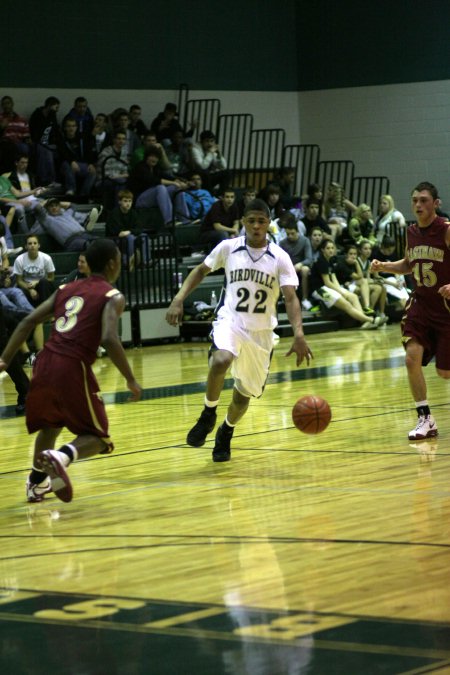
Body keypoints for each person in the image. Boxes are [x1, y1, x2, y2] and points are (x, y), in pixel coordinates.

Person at [166, 198, 313, 462]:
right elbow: (200, 271)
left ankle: (226, 431)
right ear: (243, 222)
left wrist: (299, 334)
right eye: (251, 221)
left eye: (261, 221)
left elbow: (291, 298)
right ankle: (208, 414)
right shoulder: (228, 247)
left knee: (243, 397)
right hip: (231, 321)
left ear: (268, 224)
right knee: (220, 360)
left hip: (261, 334)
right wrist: (178, 299)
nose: (256, 226)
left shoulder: (280, 258)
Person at [0, 238, 142, 503]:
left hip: (44, 362)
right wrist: (131, 379)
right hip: (71, 365)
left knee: (50, 427)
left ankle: (36, 483)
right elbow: (110, 338)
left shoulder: (67, 287)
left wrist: (5, 359)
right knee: (99, 438)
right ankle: (62, 456)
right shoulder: (113, 295)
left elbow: (29, 320)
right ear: (113, 264)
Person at [371, 181, 450, 441]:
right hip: (421, 305)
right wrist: (385, 266)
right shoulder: (412, 232)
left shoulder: (446, 231)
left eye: (424, 200)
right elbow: (408, 263)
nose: (418, 204)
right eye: (415, 199)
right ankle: (425, 418)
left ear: (436, 204)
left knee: (444, 372)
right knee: (411, 357)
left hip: (446, 309)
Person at [309, 238, 382, 329]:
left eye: (332, 248)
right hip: (319, 290)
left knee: (353, 297)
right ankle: (370, 320)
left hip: (328, 287)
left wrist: (341, 290)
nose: (331, 250)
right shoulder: (321, 261)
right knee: (346, 304)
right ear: (323, 250)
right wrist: (342, 293)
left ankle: (364, 323)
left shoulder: (331, 260)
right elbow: (327, 283)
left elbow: (334, 279)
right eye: (328, 248)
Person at [129, 146, 190, 226]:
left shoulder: (156, 168)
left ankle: (184, 218)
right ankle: (169, 220)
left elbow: (168, 177)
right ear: (146, 157)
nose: (154, 159)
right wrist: (173, 182)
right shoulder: (140, 167)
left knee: (177, 188)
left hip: (152, 197)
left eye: (156, 157)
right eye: (152, 156)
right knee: (160, 187)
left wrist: (179, 181)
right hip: (139, 199)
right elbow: (155, 180)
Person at [105, 189, 150, 268]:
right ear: (120, 202)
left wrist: (129, 231)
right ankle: (130, 261)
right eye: (125, 201)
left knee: (144, 236)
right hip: (115, 239)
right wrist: (129, 233)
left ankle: (146, 261)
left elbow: (139, 229)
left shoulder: (133, 213)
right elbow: (118, 232)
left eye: (130, 201)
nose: (128, 204)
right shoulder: (114, 213)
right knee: (130, 238)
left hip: (129, 236)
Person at [32, 198, 99, 251]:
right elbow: (37, 208)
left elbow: (73, 205)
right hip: (72, 241)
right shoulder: (46, 219)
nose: (54, 208)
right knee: (90, 245)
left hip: (84, 234)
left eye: (56, 205)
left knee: (101, 242)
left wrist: (59, 202)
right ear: (47, 208)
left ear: (60, 207)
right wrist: (47, 201)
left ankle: (86, 221)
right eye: (51, 206)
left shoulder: (66, 213)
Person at [279, 220, 313, 306]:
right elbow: (279, 260)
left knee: (305, 269)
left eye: (292, 233)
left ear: (297, 231)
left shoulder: (305, 240)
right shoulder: (282, 243)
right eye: (288, 234)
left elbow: (309, 259)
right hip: (287, 268)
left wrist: (300, 264)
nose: (290, 236)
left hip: (300, 267)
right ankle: (283, 298)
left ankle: (305, 299)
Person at [198, 187, 240, 253]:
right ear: (222, 198)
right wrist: (233, 230)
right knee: (223, 234)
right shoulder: (216, 206)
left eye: (232, 197)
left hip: (225, 231)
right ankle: (221, 258)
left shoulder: (234, 206)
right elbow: (217, 227)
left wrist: (234, 232)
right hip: (207, 233)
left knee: (239, 234)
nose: (230, 199)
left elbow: (236, 223)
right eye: (227, 197)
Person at [189, 130, 230, 195]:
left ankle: (220, 196)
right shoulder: (195, 149)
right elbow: (202, 167)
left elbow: (223, 167)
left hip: (208, 177)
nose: (210, 144)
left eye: (212, 141)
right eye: (207, 141)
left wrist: (219, 155)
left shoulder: (211, 149)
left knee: (227, 173)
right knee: (205, 172)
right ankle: (211, 195)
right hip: (197, 177)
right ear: (201, 142)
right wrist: (210, 153)